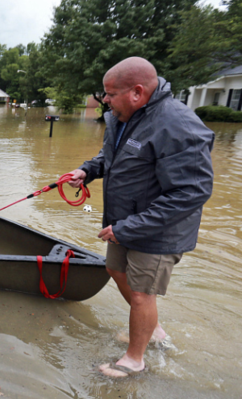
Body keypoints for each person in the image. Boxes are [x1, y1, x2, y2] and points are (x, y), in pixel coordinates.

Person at [66, 57, 214, 378]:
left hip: (160, 229)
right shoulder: (124, 115)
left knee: (141, 293)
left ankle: (135, 360)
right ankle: (154, 331)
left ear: (136, 92)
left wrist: (131, 227)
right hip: (125, 221)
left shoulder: (178, 125)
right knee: (115, 268)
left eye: (110, 93)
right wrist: (87, 170)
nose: (104, 99)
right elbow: (113, 155)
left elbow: (192, 192)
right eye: (104, 93)